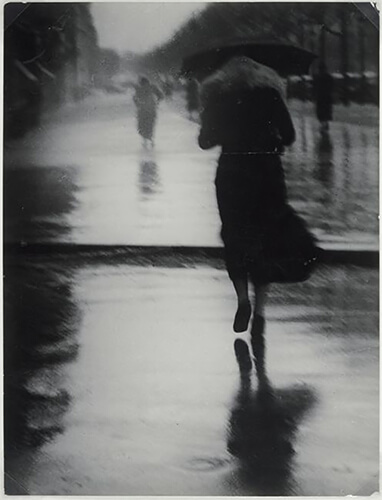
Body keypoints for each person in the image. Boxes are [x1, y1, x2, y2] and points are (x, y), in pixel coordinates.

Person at [198, 56, 318, 347]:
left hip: (232, 174)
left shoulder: (219, 96)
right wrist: (272, 138)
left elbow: (205, 141)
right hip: (267, 173)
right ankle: (261, 313)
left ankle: (242, 300)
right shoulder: (270, 94)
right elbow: (289, 136)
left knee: (235, 236)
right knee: (265, 238)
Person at [133, 76, 162, 148]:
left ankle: (145, 140)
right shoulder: (152, 87)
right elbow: (161, 95)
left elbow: (135, 98)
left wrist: (137, 104)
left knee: (142, 125)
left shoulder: (139, 88)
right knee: (150, 125)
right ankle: (151, 140)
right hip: (151, 109)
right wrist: (157, 102)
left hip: (142, 110)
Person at [314, 62, 334, 134]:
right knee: (326, 112)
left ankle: (323, 125)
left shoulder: (318, 77)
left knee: (321, 113)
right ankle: (325, 124)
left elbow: (315, 88)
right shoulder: (329, 77)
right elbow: (332, 87)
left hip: (321, 98)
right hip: (327, 98)